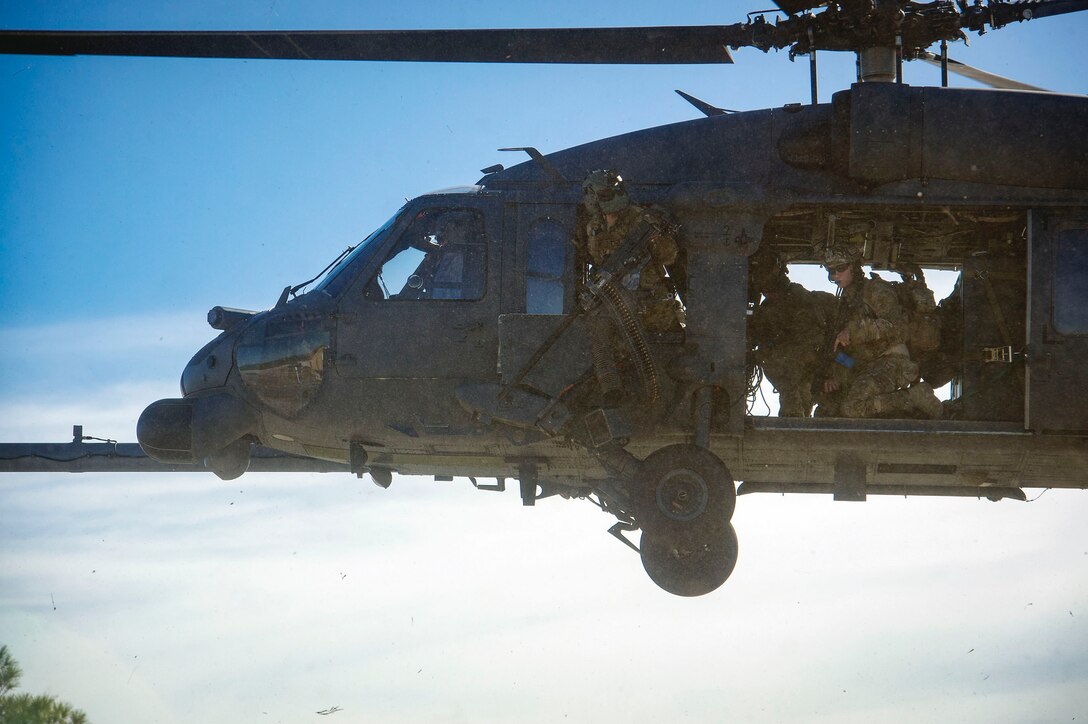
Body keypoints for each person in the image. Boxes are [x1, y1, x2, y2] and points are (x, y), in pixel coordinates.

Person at [574, 169, 683, 404]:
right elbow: (594, 259)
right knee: (600, 337)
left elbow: (669, 255)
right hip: (614, 303)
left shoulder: (640, 221)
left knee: (652, 365)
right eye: (605, 195)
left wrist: (655, 241)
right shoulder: (594, 227)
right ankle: (612, 393)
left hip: (649, 308)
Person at [817, 246, 942, 419]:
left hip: (892, 361)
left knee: (853, 407)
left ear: (854, 267)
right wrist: (835, 376)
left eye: (840, 268)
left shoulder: (875, 290)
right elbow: (848, 355)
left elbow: (896, 326)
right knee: (827, 409)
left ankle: (913, 397)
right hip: (865, 366)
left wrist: (853, 332)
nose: (835, 275)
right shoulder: (845, 302)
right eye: (831, 271)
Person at [748, 247, 837, 417]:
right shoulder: (767, 310)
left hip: (808, 371)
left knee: (797, 410)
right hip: (798, 374)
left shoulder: (799, 302)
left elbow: (806, 345)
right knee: (796, 409)